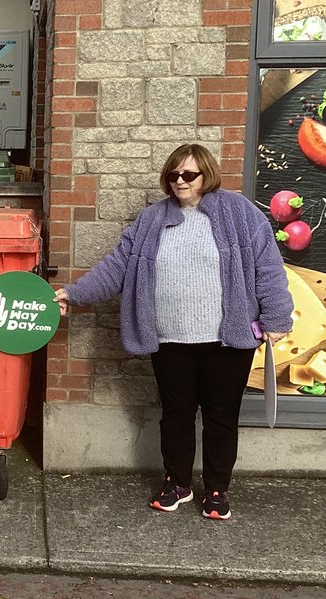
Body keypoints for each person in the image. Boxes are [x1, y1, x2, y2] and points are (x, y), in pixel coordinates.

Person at [54, 144, 293, 521]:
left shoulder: (240, 214)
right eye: (173, 175)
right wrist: (74, 293)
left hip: (226, 339)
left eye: (189, 175)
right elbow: (117, 266)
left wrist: (278, 318)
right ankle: (178, 483)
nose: (179, 181)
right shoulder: (152, 219)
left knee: (220, 416)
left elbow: (268, 267)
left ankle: (216, 489)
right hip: (170, 339)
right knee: (176, 414)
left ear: (207, 175)